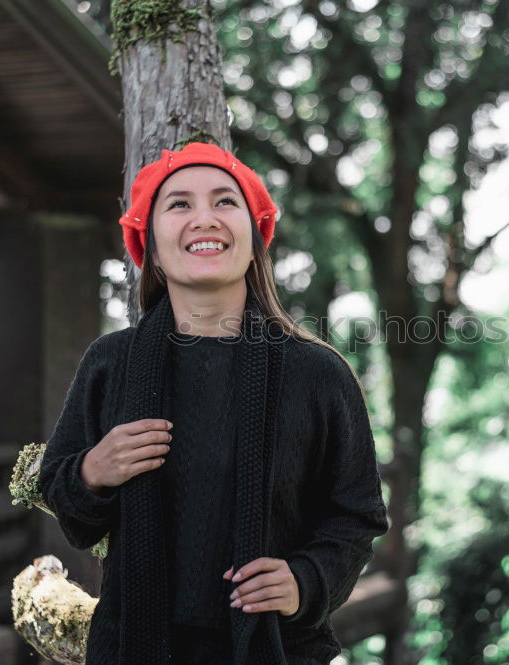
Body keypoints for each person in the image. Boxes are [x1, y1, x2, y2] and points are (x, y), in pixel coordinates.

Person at [38, 142, 389, 665]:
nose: (205, 218)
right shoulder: (111, 364)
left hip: (277, 652)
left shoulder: (318, 374)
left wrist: (305, 581)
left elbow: (355, 517)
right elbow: (67, 502)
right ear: (150, 246)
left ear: (255, 239)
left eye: (225, 202)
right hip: (131, 649)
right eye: (179, 205)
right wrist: (92, 470)